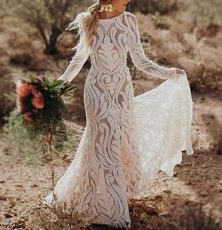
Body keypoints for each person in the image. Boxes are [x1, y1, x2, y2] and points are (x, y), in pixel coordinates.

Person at [44, 0, 194, 229]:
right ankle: (112, 211)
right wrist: (56, 86)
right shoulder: (88, 19)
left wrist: (169, 72)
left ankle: (99, 198)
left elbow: (140, 61)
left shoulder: (129, 20)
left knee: (115, 140)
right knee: (104, 142)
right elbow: (78, 60)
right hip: (96, 92)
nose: (128, 1)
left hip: (122, 91)